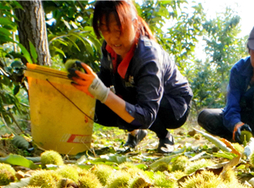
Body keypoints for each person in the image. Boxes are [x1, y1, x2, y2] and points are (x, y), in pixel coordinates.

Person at [69, 0, 192, 154]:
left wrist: (102, 93)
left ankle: (165, 136)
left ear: (134, 24)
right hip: (137, 97)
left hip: (174, 106)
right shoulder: (109, 49)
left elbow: (147, 114)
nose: (113, 38)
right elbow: (105, 78)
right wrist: (85, 84)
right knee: (95, 107)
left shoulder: (149, 57)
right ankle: (136, 132)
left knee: (132, 101)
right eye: (106, 30)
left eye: (119, 29)